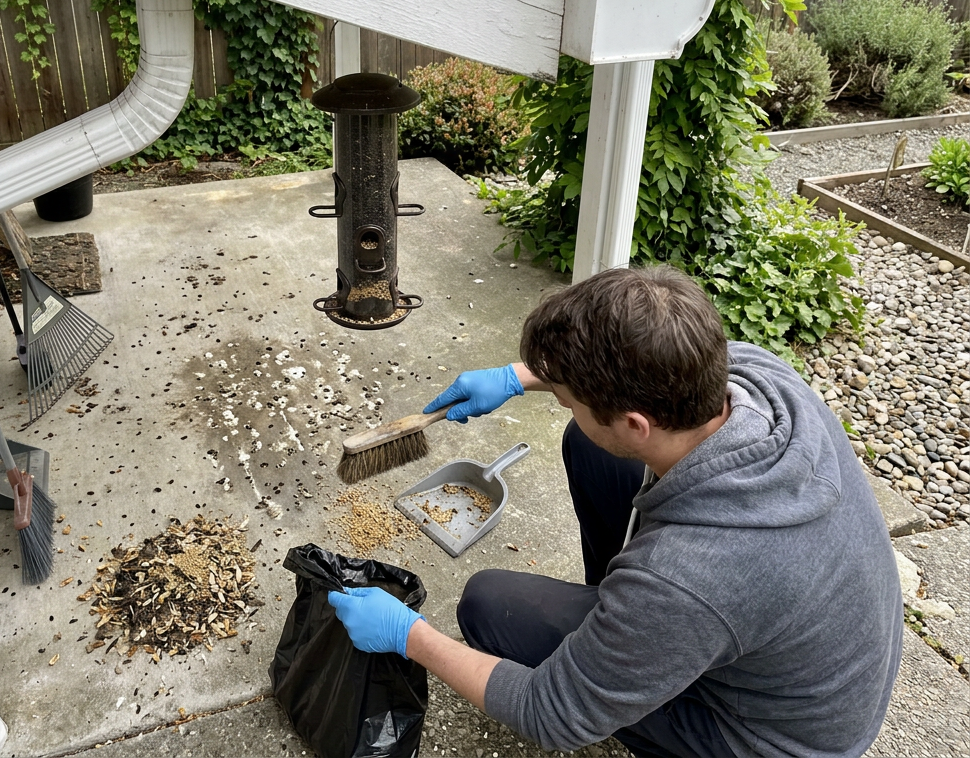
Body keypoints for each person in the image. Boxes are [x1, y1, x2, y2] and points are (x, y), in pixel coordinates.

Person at [327, 265, 901, 758]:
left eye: (567, 399)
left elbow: (548, 714)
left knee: (487, 606)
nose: (561, 401)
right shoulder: (761, 379)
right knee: (590, 449)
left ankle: (626, 650)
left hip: (770, 738)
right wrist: (520, 377)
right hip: (802, 663)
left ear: (636, 423)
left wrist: (409, 636)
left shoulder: (686, 575)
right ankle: (625, 642)